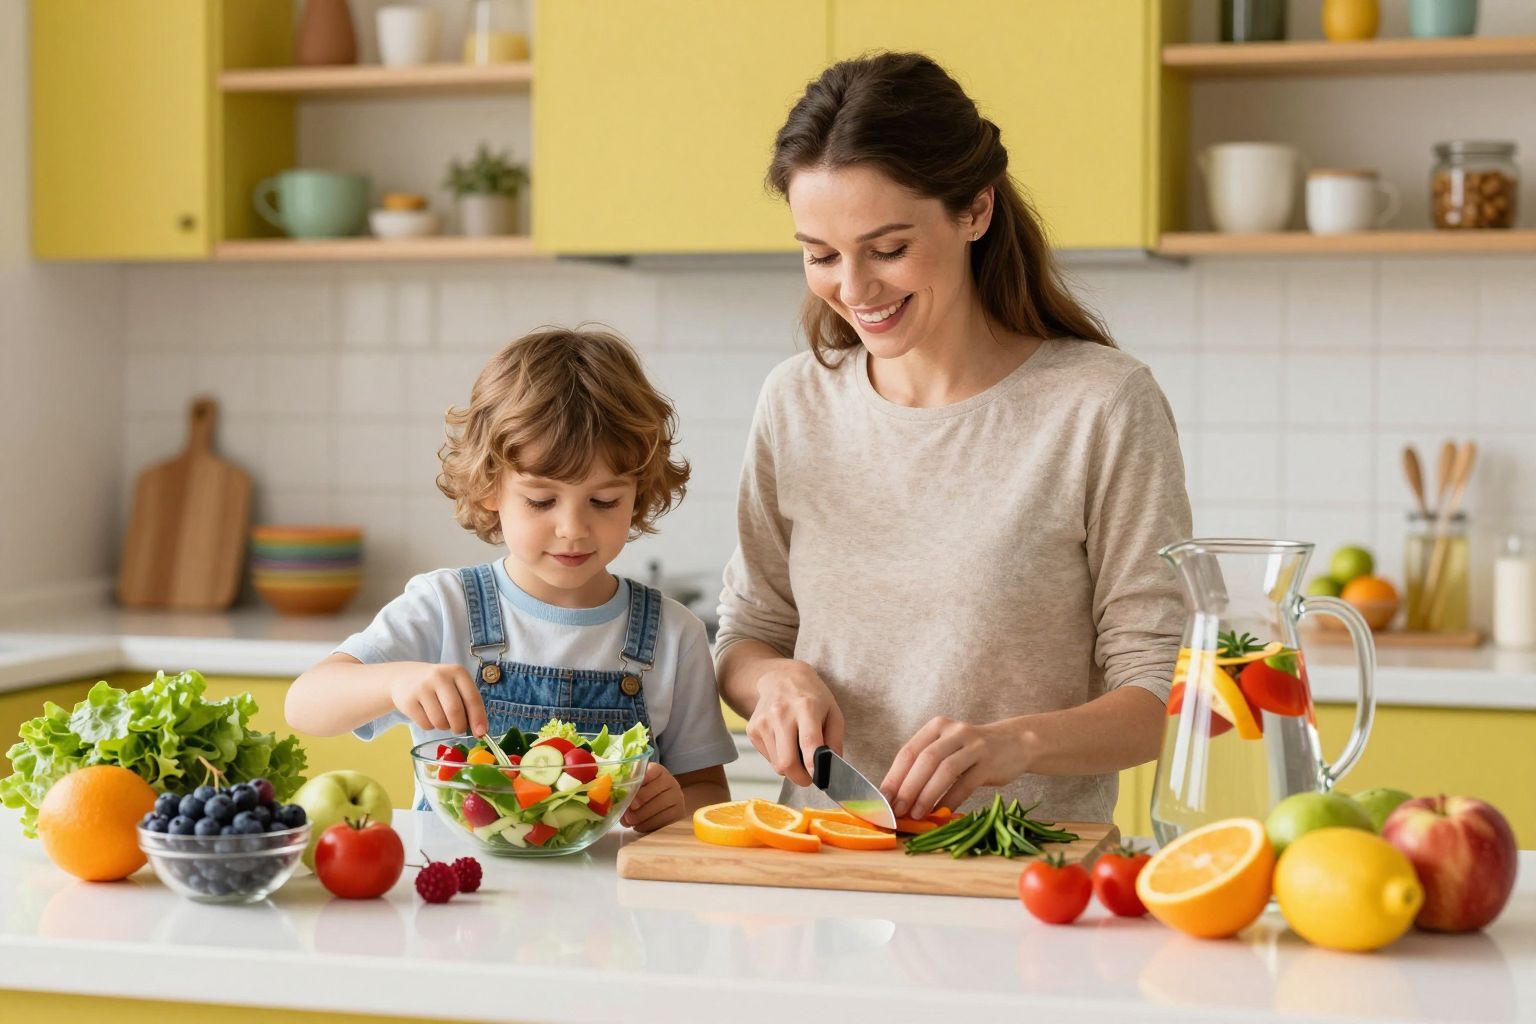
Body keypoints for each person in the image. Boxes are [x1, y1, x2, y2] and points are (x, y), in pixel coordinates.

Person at [714, 53, 1192, 827]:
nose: (854, 289)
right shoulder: (795, 401)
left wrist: (1017, 743)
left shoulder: (1101, 406)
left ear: (975, 211)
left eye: (888, 249)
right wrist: (775, 681)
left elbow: (1163, 693)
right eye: (821, 255)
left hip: (1023, 869)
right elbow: (747, 635)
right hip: (825, 860)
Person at [286, 327, 736, 832]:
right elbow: (305, 704)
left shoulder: (674, 635)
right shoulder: (444, 607)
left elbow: (708, 792)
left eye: (604, 501)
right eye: (542, 501)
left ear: (638, 492)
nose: (573, 528)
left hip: (608, 884)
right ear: (489, 487)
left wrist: (676, 806)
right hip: (458, 880)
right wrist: (394, 680)